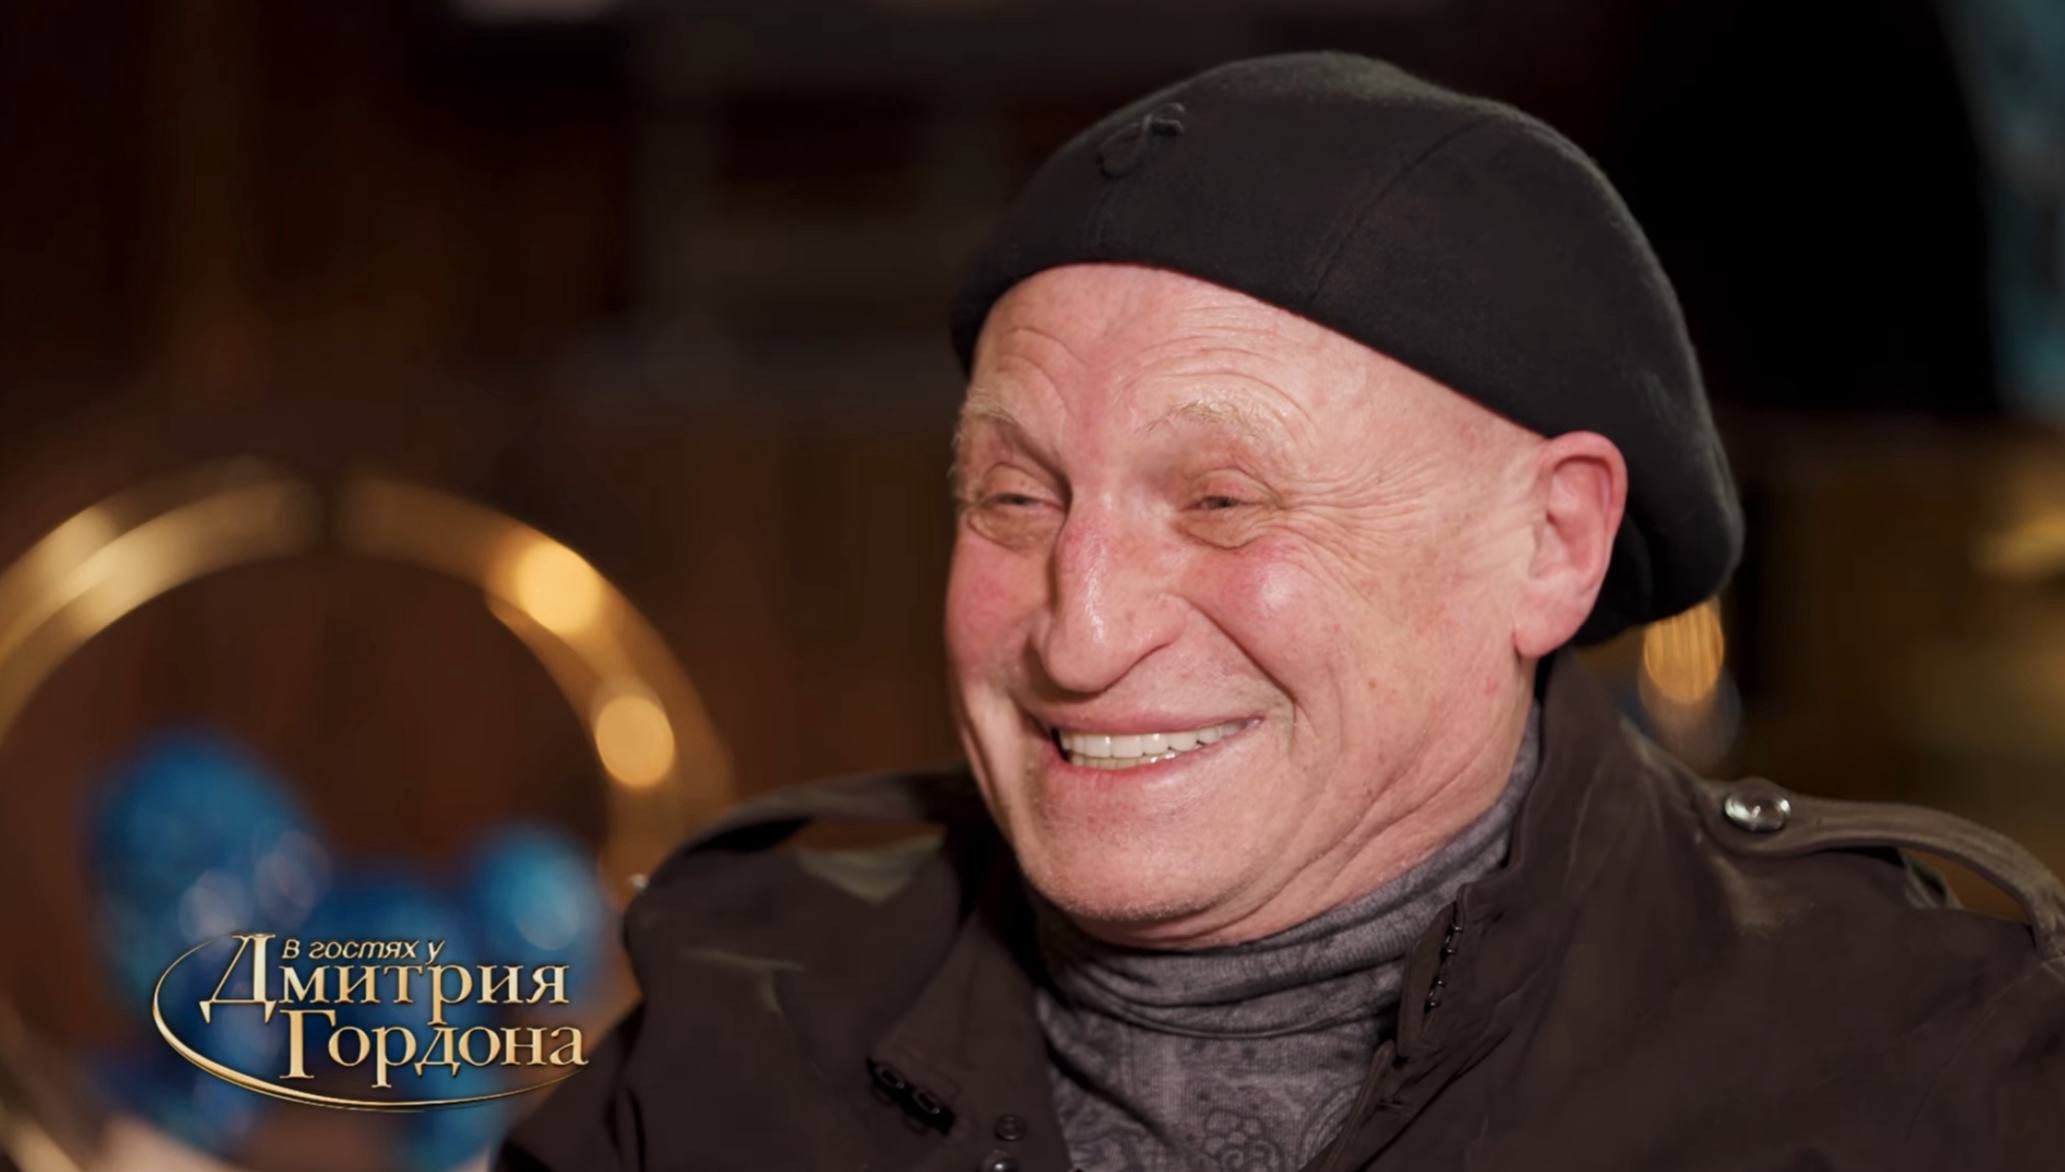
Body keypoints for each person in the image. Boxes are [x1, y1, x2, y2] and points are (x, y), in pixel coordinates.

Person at [498, 52, 2065, 1172]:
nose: (1076, 637)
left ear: (1549, 546)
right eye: (1015, 500)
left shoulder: (1925, 1067)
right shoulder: (733, 1026)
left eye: (1221, 502)